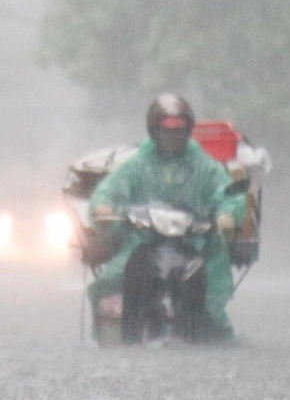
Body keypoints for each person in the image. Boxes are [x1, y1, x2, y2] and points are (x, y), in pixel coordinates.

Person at [86, 93, 246, 340]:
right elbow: (109, 190)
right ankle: (108, 336)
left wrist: (227, 214)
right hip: (140, 243)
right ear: (155, 130)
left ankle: (215, 336)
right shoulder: (139, 164)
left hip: (194, 244)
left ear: (188, 130)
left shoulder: (202, 164)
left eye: (179, 131)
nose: (173, 136)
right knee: (107, 282)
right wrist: (103, 207)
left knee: (212, 304)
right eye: (167, 130)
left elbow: (226, 192)